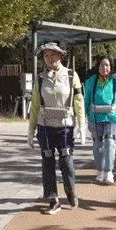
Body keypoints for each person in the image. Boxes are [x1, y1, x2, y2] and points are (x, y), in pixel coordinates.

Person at [27, 41, 86, 215]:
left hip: (65, 125)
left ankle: (70, 190)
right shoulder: (40, 78)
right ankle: (53, 199)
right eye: (46, 55)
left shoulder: (71, 75)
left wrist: (82, 124)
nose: (49, 58)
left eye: (53, 54)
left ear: (60, 55)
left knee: (66, 159)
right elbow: (35, 104)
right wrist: (31, 130)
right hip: (45, 125)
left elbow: (79, 101)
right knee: (47, 160)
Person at [85, 57, 116, 185]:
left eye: (107, 65)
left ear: (111, 67)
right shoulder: (91, 81)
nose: (105, 68)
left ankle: (109, 171)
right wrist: (85, 116)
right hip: (95, 117)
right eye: (102, 65)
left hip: (111, 117)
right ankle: (100, 170)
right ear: (98, 67)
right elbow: (86, 100)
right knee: (98, 145)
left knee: (109, 142)